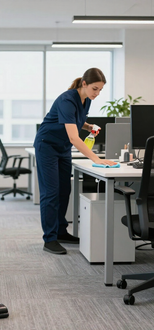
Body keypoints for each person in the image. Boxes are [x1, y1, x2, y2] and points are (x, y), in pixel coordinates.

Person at [34, 68, 116, 255]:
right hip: (47, 145)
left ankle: (61, 232)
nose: (97, 94)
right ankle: (50, 239)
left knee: (65, 190)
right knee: (51, 192)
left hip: (62, 148)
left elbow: (75, 121)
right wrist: (97, 158)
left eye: (100, 90)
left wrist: (88, 126)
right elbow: (73, 136)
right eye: (95, 89)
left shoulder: (85, 100)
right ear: (84, 84)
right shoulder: (67, 100)